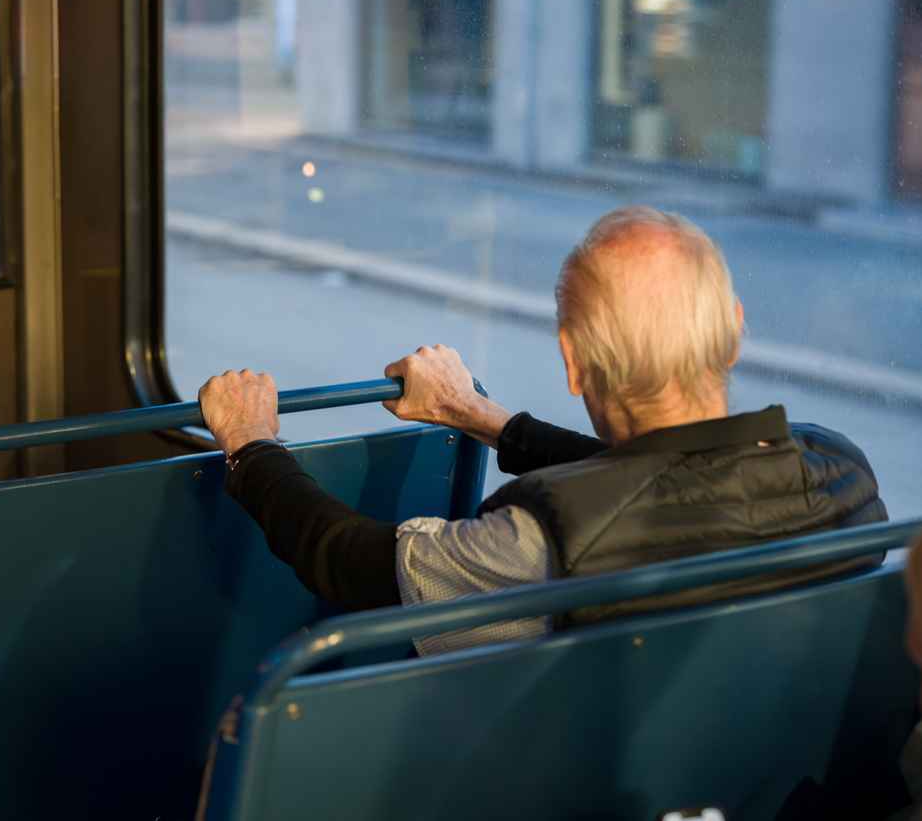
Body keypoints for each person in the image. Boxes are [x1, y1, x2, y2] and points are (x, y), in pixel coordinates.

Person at [199, 206, 887, 654]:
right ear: (734, 331)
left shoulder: (537, 547)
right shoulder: (843, 478)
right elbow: (675, 483)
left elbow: (348, 560)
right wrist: (478, 416)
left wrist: (251, 444)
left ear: (572, 363)